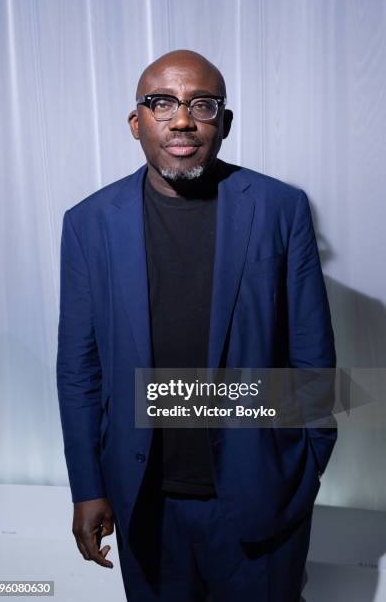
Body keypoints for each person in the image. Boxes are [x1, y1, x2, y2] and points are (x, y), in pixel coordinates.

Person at [56, 49, 337, 601]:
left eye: (201, 105)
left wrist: (303, 470)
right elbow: (79, 370)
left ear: (223, 122)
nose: (181, 119)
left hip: (261, 502)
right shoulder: (88, 223)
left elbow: (314, 356)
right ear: (136, 123)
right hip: (144, 503)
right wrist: (87, 487)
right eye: (161, 103)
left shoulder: (281, 208)